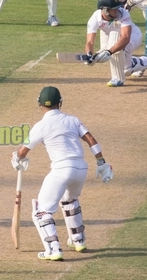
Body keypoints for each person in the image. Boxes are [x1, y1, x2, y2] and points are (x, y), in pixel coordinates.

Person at [11, 86, 113, 261]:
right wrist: (101, 162)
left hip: (61, 170)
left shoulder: (41, 126)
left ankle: (53, 249)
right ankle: (78, 240)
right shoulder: (72, 120)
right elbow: (90, 139)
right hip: (81, 168)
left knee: (41, 211)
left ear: (39, 104)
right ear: (60, 102)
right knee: (69, 200)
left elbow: (22, 151)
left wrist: (16, 157)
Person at [83, 0, 147, 87]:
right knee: (127, 70)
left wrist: (109, 52)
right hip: (114, 38)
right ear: (105, 10)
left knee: (116, 51)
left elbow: (125, 38)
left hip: (134, 37)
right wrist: (89, 54)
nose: (117, 10)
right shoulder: (95, 18)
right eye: (114, 9)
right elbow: (90, 42)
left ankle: (117, 79)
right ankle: (143, 62)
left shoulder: (123, 13)